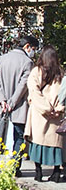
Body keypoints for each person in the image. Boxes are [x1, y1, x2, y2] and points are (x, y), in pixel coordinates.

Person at [0, 36, 38, 155]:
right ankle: (15, 166)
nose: (33, 52)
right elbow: (22, 86)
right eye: (33, 49)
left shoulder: (2, 58)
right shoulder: (27, 62)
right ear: (27, 46)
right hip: (18, 106)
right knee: (19, 136)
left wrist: (2, 100)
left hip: (1, 105)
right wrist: (12, 103)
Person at [24, 45, 65, 182]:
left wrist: (45, 108)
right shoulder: (61, 73)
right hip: (56, 114)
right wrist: (58, 108)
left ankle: (38, 172)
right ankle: (55, 172)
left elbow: (34, 91)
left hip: (39, 113)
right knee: (55, 143)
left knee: (38, 141)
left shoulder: (37, 71)